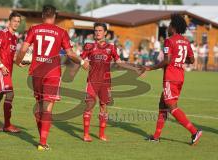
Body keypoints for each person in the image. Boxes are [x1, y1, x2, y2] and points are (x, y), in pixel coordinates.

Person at [15, 5, 89, 151]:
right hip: (52, 74)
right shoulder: (61, 32)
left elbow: (23, 49)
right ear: (54, 16)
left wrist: (18, 62)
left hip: (36, 72)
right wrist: (82, 61)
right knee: (47, 109)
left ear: (42, 15)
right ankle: (43, 142)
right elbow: (70, 54)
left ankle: (42, 140)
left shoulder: (34, 29)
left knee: (39, 107)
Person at [144, 14, 202, 145]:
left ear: (174, 27)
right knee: (162, 104)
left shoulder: (169, 40)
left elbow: (167, 60)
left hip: (170, 77)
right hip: (180, 77)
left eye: (169, 25)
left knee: (171, 106)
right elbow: (192, 60)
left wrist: (150, 68)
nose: (168, 27)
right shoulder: (186, 41)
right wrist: (179, 59)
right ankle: (156, 136)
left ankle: (194, 131)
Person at [81, 22, 144, 142]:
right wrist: (82, 62)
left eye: (100, 30)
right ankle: (86, 134)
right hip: (92, 81)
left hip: (106, 82)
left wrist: (135, 68)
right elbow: (79, 58)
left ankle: (102, 134)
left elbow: (120, 63)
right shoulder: (89, 46)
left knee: (104, 107)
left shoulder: (111, 48)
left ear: (105, 33)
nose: (97, 32)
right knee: (89, 106)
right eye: (96, 30)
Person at [0, 12, 21, 133]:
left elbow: (12, 57)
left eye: (18, 21)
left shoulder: (15, 38)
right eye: (15, 21)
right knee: (10, 94)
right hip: (1, 69)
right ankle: (7, 125)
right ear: (9, 21)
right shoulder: (2, 33)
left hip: (8, 70)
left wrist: (19, 62)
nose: (16, 23)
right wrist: (1, 65)